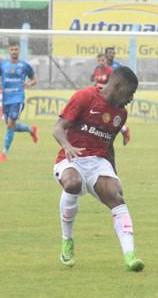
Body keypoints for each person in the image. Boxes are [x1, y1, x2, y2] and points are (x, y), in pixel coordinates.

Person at [52, 66, 144, 272]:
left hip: (98, 162)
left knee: (116, 197)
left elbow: (109, 145)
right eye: (130, 93)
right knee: (73, 183)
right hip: (71, 158)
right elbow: (58, 127)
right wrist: (67, 146)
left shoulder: (121, 114)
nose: (130, 99)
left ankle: (130, 256)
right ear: (117, 86)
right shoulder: (85, 96)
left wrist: (114, 175)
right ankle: (67, 240)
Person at [0, 40, 38, 162]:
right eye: (12, 50)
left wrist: (29, 83)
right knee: (11, 125)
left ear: (19, 50)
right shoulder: (3, 65)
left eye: (16, 49)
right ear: (9, 51)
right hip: (6, 99)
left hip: (18, 98)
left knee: (10, 124)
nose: (14, 52)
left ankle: (4, 153)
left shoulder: (24, 65)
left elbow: (34, 79)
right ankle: (31, 130)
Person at [90, 53, 131, 145]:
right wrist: (90, 89)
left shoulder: (110, 71)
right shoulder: (96, 71)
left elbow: (113, 86)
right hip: (99, 97)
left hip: (109, 97)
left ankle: (123, 130)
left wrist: (100, 86)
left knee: (108, 117)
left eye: (103, 60)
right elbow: (95, 82)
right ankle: (123, 130)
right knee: (100, 116)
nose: (101, 62)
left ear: (106, 61)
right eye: (99, 61)